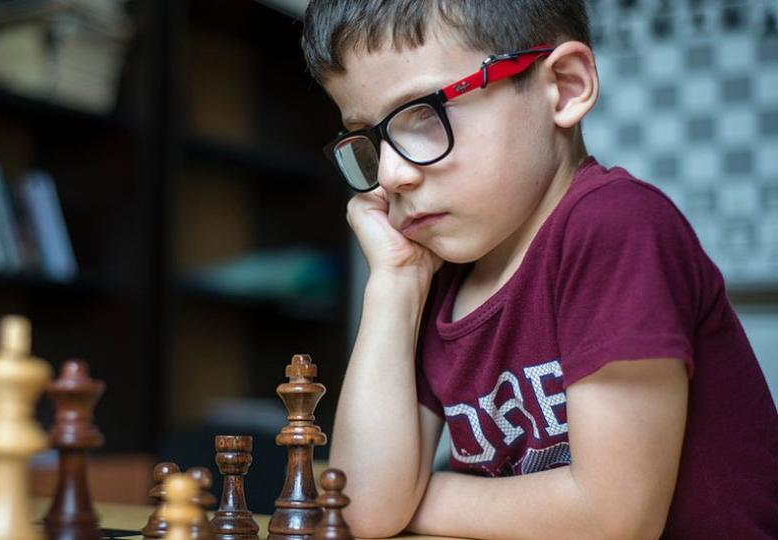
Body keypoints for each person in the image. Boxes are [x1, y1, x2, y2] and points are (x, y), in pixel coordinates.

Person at [300, 1, 778, 538]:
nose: (389, 176)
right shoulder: (440, 272)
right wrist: (394, 284)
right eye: (368, 138)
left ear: (566, 87)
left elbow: (612, 517)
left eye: (423, 113)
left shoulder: (616, 227)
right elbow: (360, 506)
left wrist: (409, 497)